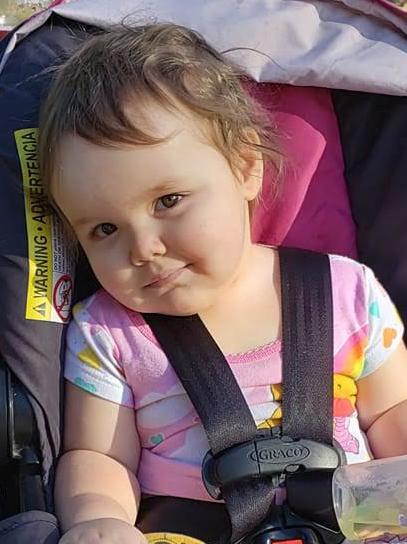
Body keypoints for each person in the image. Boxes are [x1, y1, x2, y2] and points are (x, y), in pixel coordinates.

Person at [38, 23, 407, 544]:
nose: (142, 248)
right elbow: (100, 456)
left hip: (352, 525)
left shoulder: (346, 292)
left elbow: (392, 411)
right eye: (104, 229)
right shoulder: (109, 334)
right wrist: (100, 519)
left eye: (168, 201)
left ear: (246, 167)